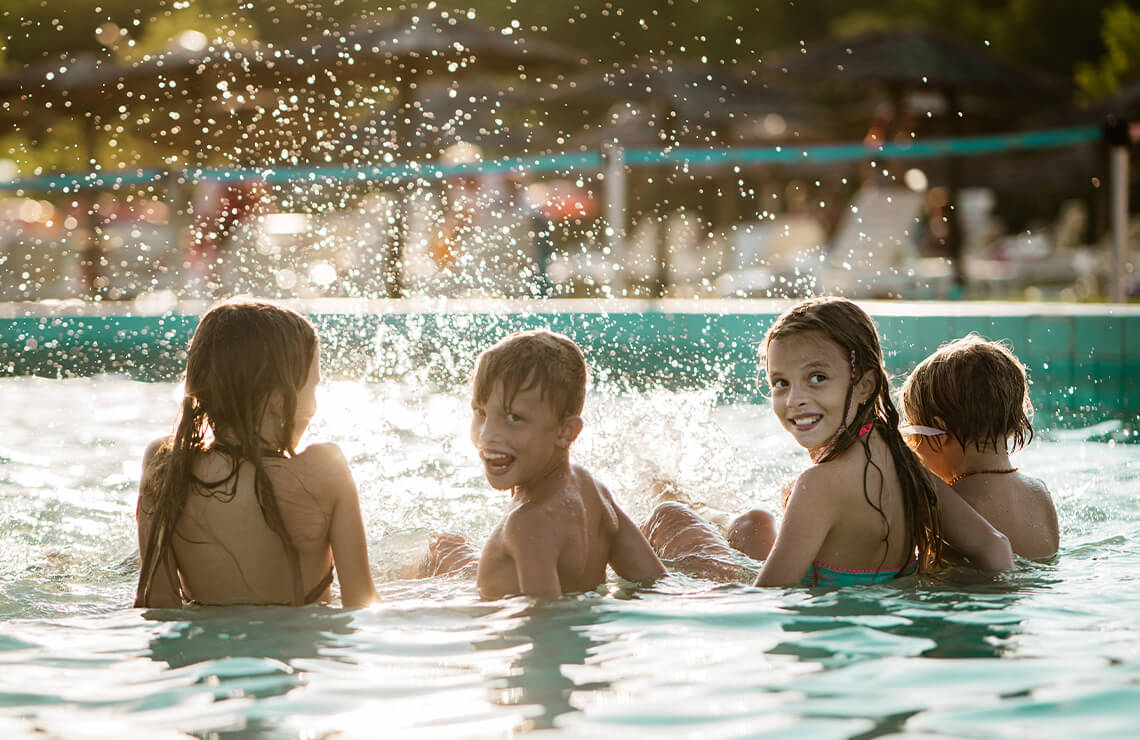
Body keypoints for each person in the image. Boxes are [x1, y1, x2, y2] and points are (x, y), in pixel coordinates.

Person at [644, 296, 1013, 587]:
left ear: (865, 384)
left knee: (668, 516)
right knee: (753, 523)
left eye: (817, 378)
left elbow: (769, 594)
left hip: (814, 597)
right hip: (864, 591)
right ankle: (700, 507)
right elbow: (994, 546)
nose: (794, 399)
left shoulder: (818, 486)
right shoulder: (899, 456)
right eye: (780, 383)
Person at [134, 298, 378, 608]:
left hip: (205, 652)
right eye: (313, 389)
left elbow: (157, 603)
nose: (315, 406)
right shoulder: (324, 469)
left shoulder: (166, 465)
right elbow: (363, 601)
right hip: (299, 652)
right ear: (279, 398)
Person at [418, 329, 666, 599]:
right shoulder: (591, 489)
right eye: (481, 412)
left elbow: (546, 622)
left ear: (565, 432)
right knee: (446, 543)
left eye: (513, 417)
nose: (487, 434)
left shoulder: (527, 525)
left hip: (513, 630)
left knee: (439, 546)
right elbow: (653, 580)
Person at [901, 334, 1059, 560]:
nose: (912, 445)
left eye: (913, 434)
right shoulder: (1040, 494)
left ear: (939, 431)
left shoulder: (950, 510)